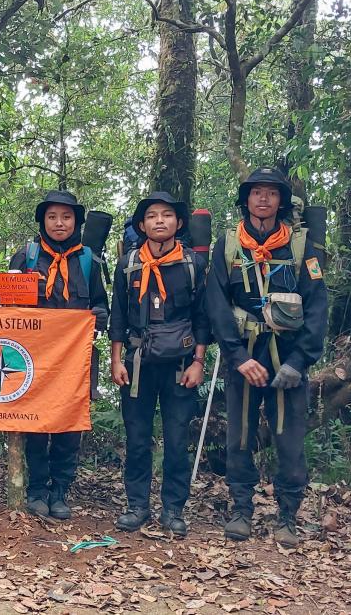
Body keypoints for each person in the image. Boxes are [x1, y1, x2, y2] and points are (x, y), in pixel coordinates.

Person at [206, 168, 327, 547]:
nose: (263, 199)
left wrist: (299, 361)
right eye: (256, 192)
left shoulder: (300, 245)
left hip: (288, 356)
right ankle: (242, 509)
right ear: (246, 199)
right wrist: (238, 356)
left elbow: (318, 303)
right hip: (244, 357)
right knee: (240, 437)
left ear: (281, 201)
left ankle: (287, 516)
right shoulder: (228, 244)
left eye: (271, 193)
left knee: (289, 440)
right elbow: (216, 304)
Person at [109, 192, 210, 536]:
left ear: (179, 223)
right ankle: (137, 505)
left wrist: (199, 361)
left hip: (181, 364)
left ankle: (173, 509)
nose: (160, 221)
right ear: (142, 225)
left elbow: (202, 317)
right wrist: (115, 359)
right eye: (152, 216)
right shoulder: (128, 264)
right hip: (137, 363)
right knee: (138, 438)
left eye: (167, 215)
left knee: (177, 438)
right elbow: (118, 315)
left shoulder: (192, 265)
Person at [8, 190, 108, 520]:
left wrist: (98, 317)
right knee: (35, 421)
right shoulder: (26, 255)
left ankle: (60, 489)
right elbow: (4, 303)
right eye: (52, 217)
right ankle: (37, 488)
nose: (59, 223)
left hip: (75, 358)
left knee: (69, 423)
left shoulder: (89, 261)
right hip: (33, 357)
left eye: (66, 217)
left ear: (76, 222)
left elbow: (101, 304)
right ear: (42, 222)